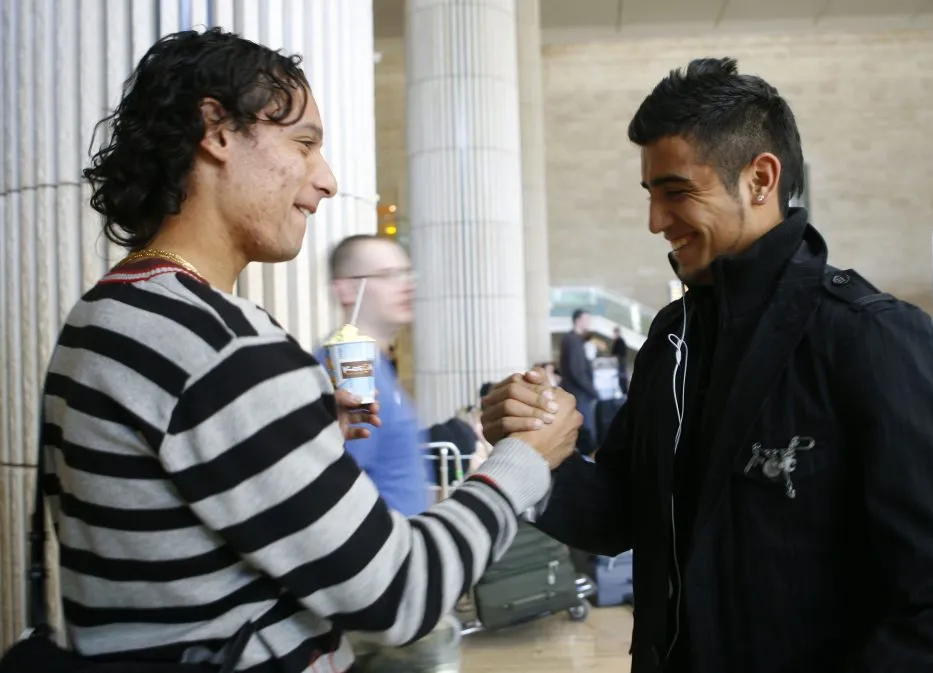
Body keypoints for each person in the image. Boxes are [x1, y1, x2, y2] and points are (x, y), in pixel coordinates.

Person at [41, 28, 581, 673]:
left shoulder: (107, 312)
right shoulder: (219, 346)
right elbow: (399, 593)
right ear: (216, 132)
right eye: (303, 144)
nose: (325, 182)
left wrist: (295, 429)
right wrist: (522, 464)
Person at [481, 57, 933, 673]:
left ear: (761, 179)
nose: (656, 221)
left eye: (677, 191)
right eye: (651, 194)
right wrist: (535, 452)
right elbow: (621, 517)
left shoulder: (871, 338)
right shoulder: (673, 339)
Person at [313, 235, 427, 516]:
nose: (407, 285)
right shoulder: (348, 369)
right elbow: (339, 486)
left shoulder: (373, 363)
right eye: (388, 275)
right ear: (347, 289)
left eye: (406, 273)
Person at [559, 309, 599, 454]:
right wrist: (593, 391)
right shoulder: (572, 340)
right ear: (578, 320)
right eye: (586, 319)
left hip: (580, 393)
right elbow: (576, 371)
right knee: (585, 434)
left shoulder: (577, 340)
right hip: (579, 394)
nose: (589, 322)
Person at [610, 327, 628, 394]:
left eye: (614, 333)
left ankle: (624, 394)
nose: (613, 335)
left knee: (621, 380)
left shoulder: (620, 341)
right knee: (621, 380)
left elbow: (619, 354)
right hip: (620, 364)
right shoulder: (618, 341)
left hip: (620, 365)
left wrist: (612, 357)